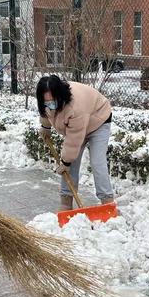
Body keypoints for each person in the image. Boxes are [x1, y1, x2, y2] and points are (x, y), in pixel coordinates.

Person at [36, 75, 114, 211]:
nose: (50, 106)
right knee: (70, 163)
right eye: (46, 103)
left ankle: (107, 202)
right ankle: (66, 202)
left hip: (99, 119)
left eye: (52, 102)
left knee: (97, 162)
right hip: (79, 123)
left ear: (60, 96)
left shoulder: (74, 107)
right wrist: (45, 127)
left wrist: (65, 163)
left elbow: (73, 140)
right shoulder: (49, 102)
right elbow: (47, 113)